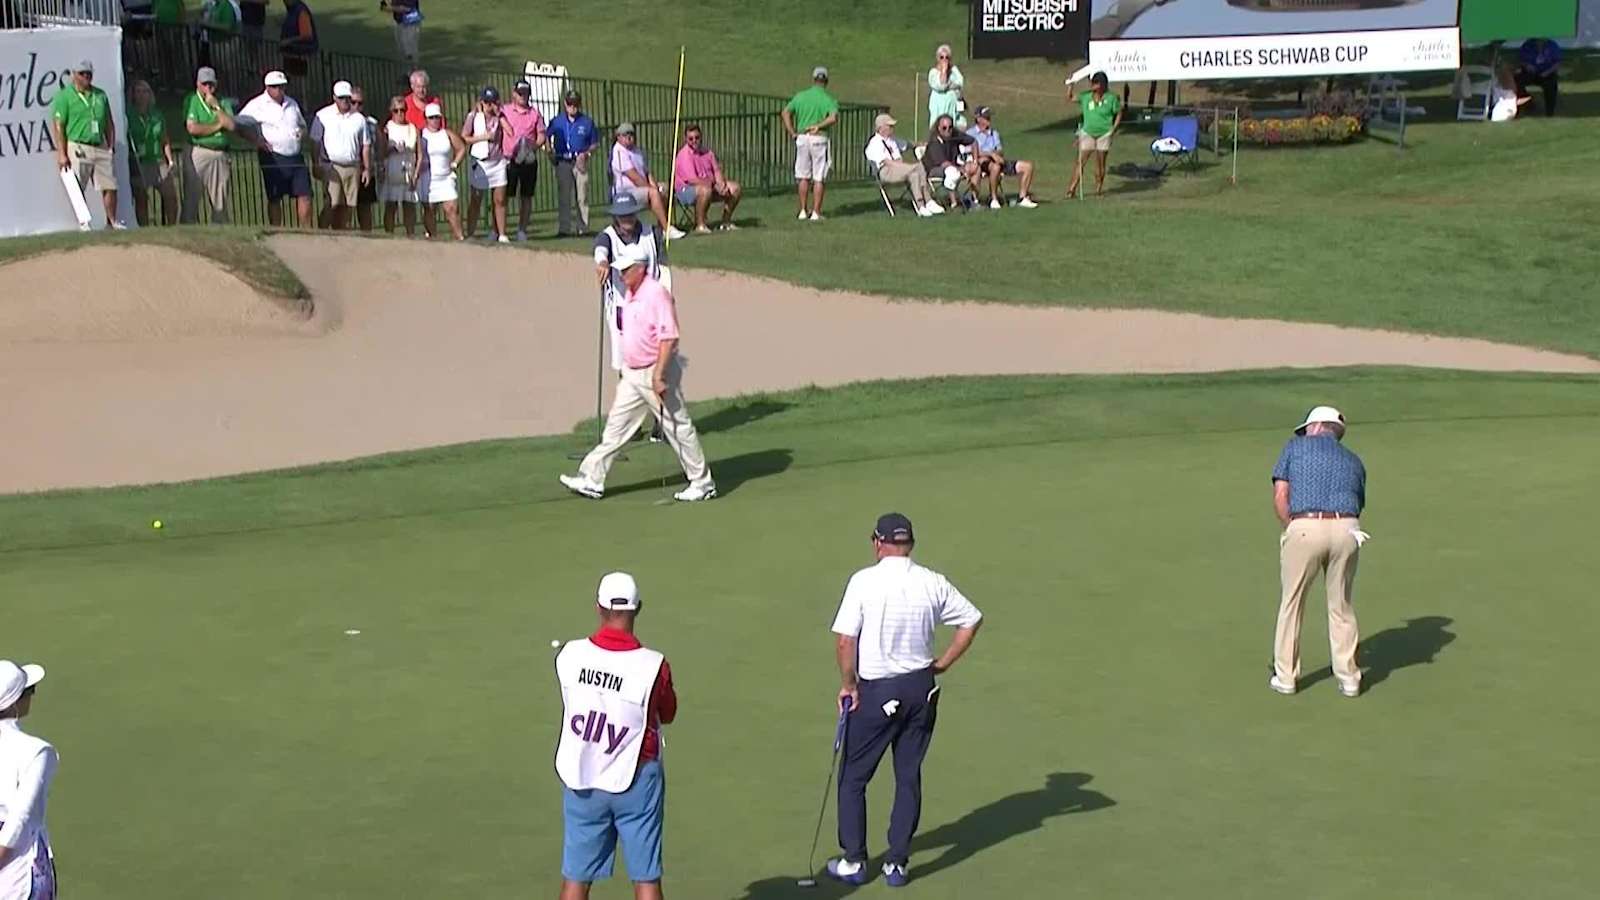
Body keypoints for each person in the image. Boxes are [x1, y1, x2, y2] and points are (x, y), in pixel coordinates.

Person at [826, 513, 983, 887]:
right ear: (909, 544)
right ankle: (897, 864)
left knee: (853, 777)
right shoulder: (932, 581)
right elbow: (971, 620)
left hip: (878, 690)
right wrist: (942, 663)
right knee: (908, 776)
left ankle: (855, 860)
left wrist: (848, 684)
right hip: (921, 689)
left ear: (879, 543)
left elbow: (846, 641)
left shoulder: (864, 581)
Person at [559, 242, 716, 504]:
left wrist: (659, 375)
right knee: (615, 429)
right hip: (633, 374)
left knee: (677, 427)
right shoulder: (631, 291)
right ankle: (592, 479)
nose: (621, 274)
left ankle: (702, 482)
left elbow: (669, 337)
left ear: (641, 268)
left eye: (626, 270)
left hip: (655, 371)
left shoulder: (656, 294)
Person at [554, 572, 677, 900]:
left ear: (599, 608)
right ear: (638, 609)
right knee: (646, 878)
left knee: (575, 880)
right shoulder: (654, 666)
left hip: (583, 777)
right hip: (636, 781)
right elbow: (668, 712)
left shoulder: (569, 656)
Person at [1270, 406, 1369, 699]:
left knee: (1292, 603)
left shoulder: (1294, 448)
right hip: (1348, 529)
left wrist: (1294, 527)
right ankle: (1349, 678)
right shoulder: (1354, 460)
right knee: (1341, 604)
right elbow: (1358, 502)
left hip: (1305, 525)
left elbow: (1280, 495)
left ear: (1315, 427)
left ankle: (1286, 677)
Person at [593, 193, 667, 374]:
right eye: (622, 215)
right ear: (616, 217)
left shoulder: (652, 234)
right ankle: (628, 396)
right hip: (621, 308)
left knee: (653, 359)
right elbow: (601, 250)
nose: (627, 219)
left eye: (630, 214)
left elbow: (663, 268)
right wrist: (602, 262)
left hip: (650, 306)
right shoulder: (608, 236)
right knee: (625, 362)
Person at [0, 661, 55, 900]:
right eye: (28, 691)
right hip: (19, 874)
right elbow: (18, 821)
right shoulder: (37, 751)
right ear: (14, 702)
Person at [49, 60, 124, 230]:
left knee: (109, 185)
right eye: (82, 74)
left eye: (89, 74)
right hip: (78, 145)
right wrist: (62, 153)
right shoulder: (64, 96)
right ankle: (84, 222)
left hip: (99, 144)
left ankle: (112, 221)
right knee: (77, 185)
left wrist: (110, 146)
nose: (86, 77)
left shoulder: (100, 95)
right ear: (74, 74)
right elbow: (58, 125)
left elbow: (109, 122)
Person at [238, 69, 313, 228]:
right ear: (267, 87)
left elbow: (303, 125)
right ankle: (278, 230)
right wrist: (256, 140)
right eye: (276, 87)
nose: (280, 90)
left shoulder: (292, 103)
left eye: (282, 86)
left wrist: (302, 133)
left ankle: (307, 231)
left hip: (295, 155)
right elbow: (239, 124)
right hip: (273, 155)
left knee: (305, 194)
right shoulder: (257, 104)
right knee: (275, 197)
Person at [310, 80, 371, 231]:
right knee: (333, 202)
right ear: (334, 98)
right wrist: (316, 163)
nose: (345, 101)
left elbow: (365, 145)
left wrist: (367, 168)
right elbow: (315, 142)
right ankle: (322, 232)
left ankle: (342, 233)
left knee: (348, 206)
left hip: (353, 165)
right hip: (332, 165)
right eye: (341, 97)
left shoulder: (359, 119)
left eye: (347, 97)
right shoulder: (323, 115)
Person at [609, 122, 685, 241]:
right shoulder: (618, 151)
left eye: (631, 134)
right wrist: (652, 190)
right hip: (626, 193)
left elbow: (647, 173)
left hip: (640, 189)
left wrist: (655, 187)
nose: (629, 137)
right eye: (625, 135)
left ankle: (662, 228)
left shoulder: (637, 151)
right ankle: (667, 229)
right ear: (618, 137)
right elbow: (633, 176)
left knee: (664, 188)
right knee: (654, 193)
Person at [781, 66, 838, 221]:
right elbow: (833, 117)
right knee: (818, 177)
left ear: (813, 79)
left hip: (802, 137)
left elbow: (785, 112)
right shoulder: (827, 98)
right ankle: (816, 212)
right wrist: (819, 125)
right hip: (818, 137)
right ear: (826, 81)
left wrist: (792, 131)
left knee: (803, 176)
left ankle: (802, 210)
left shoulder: (801, 96)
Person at [181, 65, 235, 224]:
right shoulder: (192, 100)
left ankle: (220, 228)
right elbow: (193, 128)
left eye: (211, 84)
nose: (208, 88)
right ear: (198, 84)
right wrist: (217, 126)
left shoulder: (222, 101)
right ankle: (188, 227)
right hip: (199, 151)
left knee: (220, 197)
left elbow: (231, 125)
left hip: (220, 152)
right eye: (204, 84)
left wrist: (216, 106)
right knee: (192, 193)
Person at [863, 113, 941, 217]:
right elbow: (886, 162)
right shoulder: (874, 143)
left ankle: (921, 206)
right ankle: (929, 200)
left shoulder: (892, 140)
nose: (892, 128)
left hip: (899, 169)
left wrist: (921, 144)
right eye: (889, 126)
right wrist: (905, 166)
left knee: (914, 175)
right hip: (886, 171)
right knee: (918, 167)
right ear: (881, 128)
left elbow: (907, 144)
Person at [671, 123, 741, 233]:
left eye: (697, 138)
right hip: (686, 190)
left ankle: (725, 222)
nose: (694, 141)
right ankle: (700, 225)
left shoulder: (708, 153)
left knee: (735, 188)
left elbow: (716, 171)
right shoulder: (684, 155)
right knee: (705, 190)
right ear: (686, 139)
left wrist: (721, 185)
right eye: (691, 139)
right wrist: (714, 186)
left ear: (701, 137)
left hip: (709, 186)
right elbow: (692, 180)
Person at [461, 86, 510, 243]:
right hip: (480, 160)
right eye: (488, 103)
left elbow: (510, 132)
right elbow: (465, 137)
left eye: (494, 103)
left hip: (497, 160)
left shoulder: (500, 117)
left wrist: (500, 116)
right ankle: (470, 233)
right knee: (476, 199)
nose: (491, 106)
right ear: (482, 102)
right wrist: (483, 137)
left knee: (500, 199)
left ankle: (501, 233)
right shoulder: (474, 117)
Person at [127, 78, 177, 226]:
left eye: (145, 91)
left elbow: (164, 138)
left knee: (170, 195)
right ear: (133, 95)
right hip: (139, 162)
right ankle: (144, 228)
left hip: (157, 160)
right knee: (141, 197)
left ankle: (172, 226)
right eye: (139, 92)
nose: (142, 95)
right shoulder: (128, 114)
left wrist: (170, 160)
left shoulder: (157, 115)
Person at [548, 89, 598, 236]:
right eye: (570, 104)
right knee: (564, 196)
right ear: (565, 104)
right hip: (563, 160)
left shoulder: (587, 122)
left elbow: (594, 143)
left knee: (582, 196)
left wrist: (587, 154)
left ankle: (583, 227)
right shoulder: (557, 121)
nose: (572, 107)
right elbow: (546, 136)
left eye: (575, 104)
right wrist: (549, 152)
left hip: (579, 160)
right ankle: (564, 228)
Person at [501, 79, 546, 241]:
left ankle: (522, 230)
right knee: (504, 196)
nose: (523, 96)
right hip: (509, 159)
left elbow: (541, 135)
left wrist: (532, 147)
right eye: (520, 93)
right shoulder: (505, 110)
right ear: (514, 94)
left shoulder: (534, 113)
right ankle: (500, 230)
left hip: (528, 159)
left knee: (526, 196)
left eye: (525, 93)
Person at [966, 105, 1036, 209]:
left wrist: (996, 155)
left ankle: (1023, 197)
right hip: (981, 162)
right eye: (986, 117)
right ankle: (994, 199)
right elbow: (970, 150)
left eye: (989, 117)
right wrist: (990, 154)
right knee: (995, 167)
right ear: (978, 119)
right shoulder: (970, 133)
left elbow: (999, 149)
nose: (989, 120)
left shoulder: (994, 133)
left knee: (1027, 166)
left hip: (997, 160)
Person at [1066, 71, 1121, 198]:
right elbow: (1070, 98)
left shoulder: (1111, 98)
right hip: (1088, 133)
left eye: (1096, 83)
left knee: (1100, 162)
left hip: (1104, 133)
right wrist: (1071, 85)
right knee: (1080, 162)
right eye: (1092, 82)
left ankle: (1098, 189)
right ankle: (1071, 189)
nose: (1092, 85)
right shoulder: (1086, 96)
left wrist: (1114, 128)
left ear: (1102, 84)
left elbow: (1118, 112)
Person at [417, 101, 465, 240]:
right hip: (428, 178)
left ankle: (459, 237)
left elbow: (461, 148)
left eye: (437, 117)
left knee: (452, 208)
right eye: (431, 117)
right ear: (426, 119)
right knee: (429, 209)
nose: (435, 120)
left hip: (445, 177)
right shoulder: (421, 134)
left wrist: (455, 163)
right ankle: (432, 238)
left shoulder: (447, 133)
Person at [378, 94, 421, 234]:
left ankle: (411, 234)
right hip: (392, 170)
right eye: (396, 110)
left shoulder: (412, 128)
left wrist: (416, 173)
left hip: (408, 171)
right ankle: (389, 235)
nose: (400, 114)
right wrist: (392, 149)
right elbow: (382, 152)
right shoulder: (387, 128)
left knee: (409, 206)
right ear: (391, 111)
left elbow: (419, 154)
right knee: (391, 206)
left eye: (402, 110)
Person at [922, 114, 979, 210]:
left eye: (950, 127)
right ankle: (954, 203)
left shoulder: (954, 134)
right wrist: (961, 169)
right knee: (952, 171)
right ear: (938, 128)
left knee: (976, 168)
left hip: (954, 165)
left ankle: (972, 199)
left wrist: (975, 161)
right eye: (944, 128)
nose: (948, 130)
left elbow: (974, 142)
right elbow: (944, 163)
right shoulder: (934, 142)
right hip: (935, 169)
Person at [349, 86, 379, 231]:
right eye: (353, 102)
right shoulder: (343, 121)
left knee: (365, 207)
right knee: (344, 207)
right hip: (348, 169)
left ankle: (368, 237)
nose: (356, 106)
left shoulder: (371, 123)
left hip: (366, 171)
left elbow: (378, 146)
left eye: (360, 103)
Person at [1514, 37, 1560, 117]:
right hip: (1530, 72)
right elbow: (1521, 60)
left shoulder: (1552, 46)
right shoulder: (1528, 45)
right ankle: (1526, 102)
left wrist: (1547, 72)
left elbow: (1557, 63)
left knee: (1551, 84)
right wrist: (1527, 65)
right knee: (1517, 80)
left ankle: (1550, 112)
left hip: (1546, 73)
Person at [927, 44, 965, 130]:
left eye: (947, 57)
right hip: (938, 108)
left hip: (952, 108)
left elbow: (960, 83)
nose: (944, 60)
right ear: (937, 58)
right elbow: (941, 86)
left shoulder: (954, 71)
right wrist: (943, 71)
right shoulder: (933, 73)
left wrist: (950, 84)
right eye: (942, 57)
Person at [278, 0, 318, 79]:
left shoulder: (301, 11)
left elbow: (307, 35)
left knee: (297, 77)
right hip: (292, 51)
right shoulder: (293, 9)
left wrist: (288, 41)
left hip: (300, 51)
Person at [382, 0, 421, 65]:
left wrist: (391, 8)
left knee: (410, 50)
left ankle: (414, 70)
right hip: (398, 22)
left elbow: (407, 8)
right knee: (402, 50)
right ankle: (407, 70)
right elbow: (384, 6)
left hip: (411, 21)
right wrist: (387, 6)